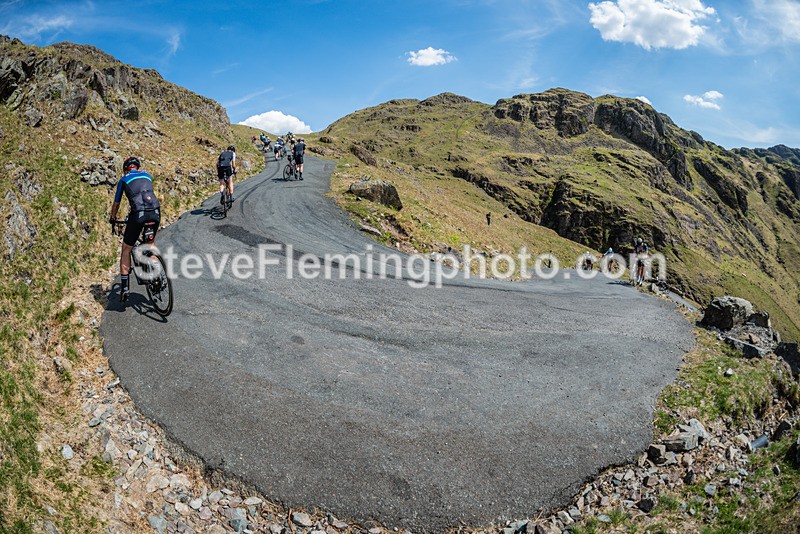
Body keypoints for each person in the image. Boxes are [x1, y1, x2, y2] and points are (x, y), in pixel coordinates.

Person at [109, 156, 160, 303]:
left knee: (126, 249)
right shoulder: (147, 175)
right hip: (155, 212)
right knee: (150, 244)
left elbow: (117, 203)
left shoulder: (124, 179)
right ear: (138, 167)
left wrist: (113, 218)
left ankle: (125, 288)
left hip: (138, 214)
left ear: (126, 169)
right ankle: (158, 277)